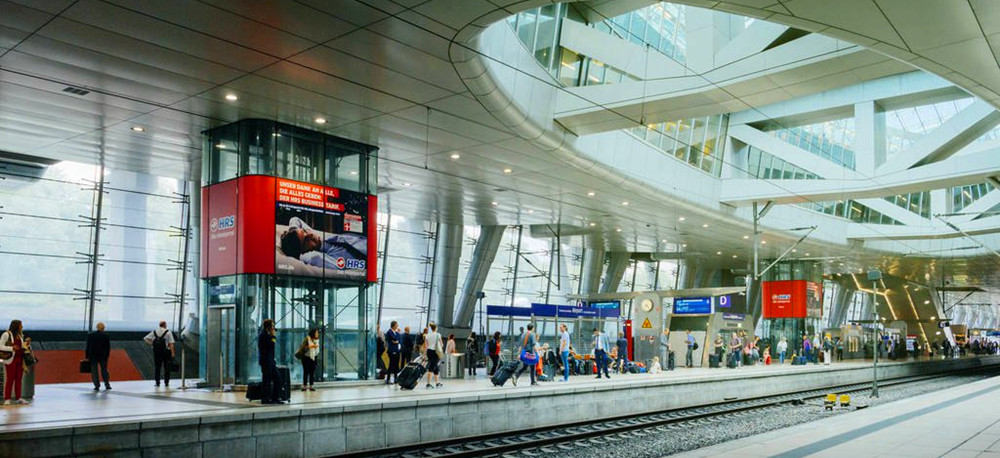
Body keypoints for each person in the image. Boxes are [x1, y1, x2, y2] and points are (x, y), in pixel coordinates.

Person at [279, 216, 367, 269]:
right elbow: (313, 258)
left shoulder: (312, 236)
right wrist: (301, 256)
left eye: (305, 231)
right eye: (306, 240)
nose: (310, 235)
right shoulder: (319, 257)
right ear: (302, 251)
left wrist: (293, 229)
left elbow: (295, 219)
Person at [1, 320, 30, 404]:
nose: (22, 327)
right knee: (10, 379)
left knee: (18, 379)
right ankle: (7, 399)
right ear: (16, 326)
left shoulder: (19, 335)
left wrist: (26, 343)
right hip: (11, 359)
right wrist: (11, 348)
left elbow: (21, 347)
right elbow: (0, 346)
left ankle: (18, 398)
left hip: (20, 359)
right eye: (21, 325)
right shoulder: (6, 334)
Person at [143, 321, 175, 387]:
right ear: (165, 325)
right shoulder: (168, 332)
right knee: (166, 367)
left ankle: (157, 382)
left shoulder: (154, 332)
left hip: (157, 352)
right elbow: (171, 343)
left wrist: (152, 344)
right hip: (166, 352)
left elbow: (145, 339)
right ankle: (166, 382)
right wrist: (172, 353)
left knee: (157, 367)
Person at [257, 319, 279, 404]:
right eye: (272, 326)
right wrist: (273, 337)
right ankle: (266, 398)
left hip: (270, 362)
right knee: (267, 380)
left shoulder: (266, 335)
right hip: (266, 362)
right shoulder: (263, 335)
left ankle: (274, 398)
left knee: (277, 379)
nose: (274, 328)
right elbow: (270, 347)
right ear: (268, 327)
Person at [85, 322, 112, 391]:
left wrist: (87, 356)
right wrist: (107, 355)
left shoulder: (91, 335)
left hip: (93, 356)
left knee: (94, 371)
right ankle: (107, 384)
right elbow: (108, 347)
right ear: (103, 328)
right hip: (103, 357)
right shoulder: (106, 336)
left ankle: (96, 385)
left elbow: (88, 346)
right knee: (104, 370)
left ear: (97, 327)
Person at [424, 323, 443, 389]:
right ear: (436, 328)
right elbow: (441, 344)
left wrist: (424, 354)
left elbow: (426, 345)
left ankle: (437, 383)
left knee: (435, 367)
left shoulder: (427, 335)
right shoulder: (438, 334)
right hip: (436, 352)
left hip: (429, 351)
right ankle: (428, 384)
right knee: (431, 367)